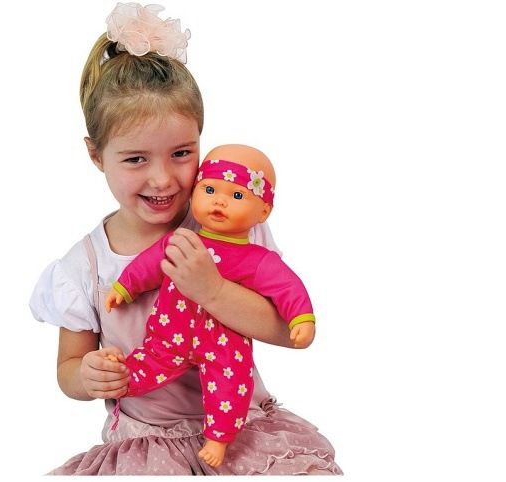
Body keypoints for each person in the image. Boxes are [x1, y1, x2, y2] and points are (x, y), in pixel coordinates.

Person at [29, 3, 342, 475]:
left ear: (200, 140)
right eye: (136, 159)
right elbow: (68, 367)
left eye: (181, 153)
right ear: (96, 155)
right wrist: (87, 376)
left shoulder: (233, 230)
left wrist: (212, 291)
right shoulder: (85, 266)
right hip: (148, 443)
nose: (162, 179)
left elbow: (287, 330)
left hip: (242, 429)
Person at [104, 144, 317, 467]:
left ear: (263, 212)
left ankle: (219, 438)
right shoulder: (183, 240)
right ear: (194, 193)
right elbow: (151, 264)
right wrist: (125, 286)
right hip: (171, 334)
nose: (219, 201)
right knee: (146, 362)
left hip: (223, 343)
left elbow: (287, 286)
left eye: (237, 195)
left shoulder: (257, 259)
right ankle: (120, 376)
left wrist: (302, 318)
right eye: (210, 189)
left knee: (230, 385)